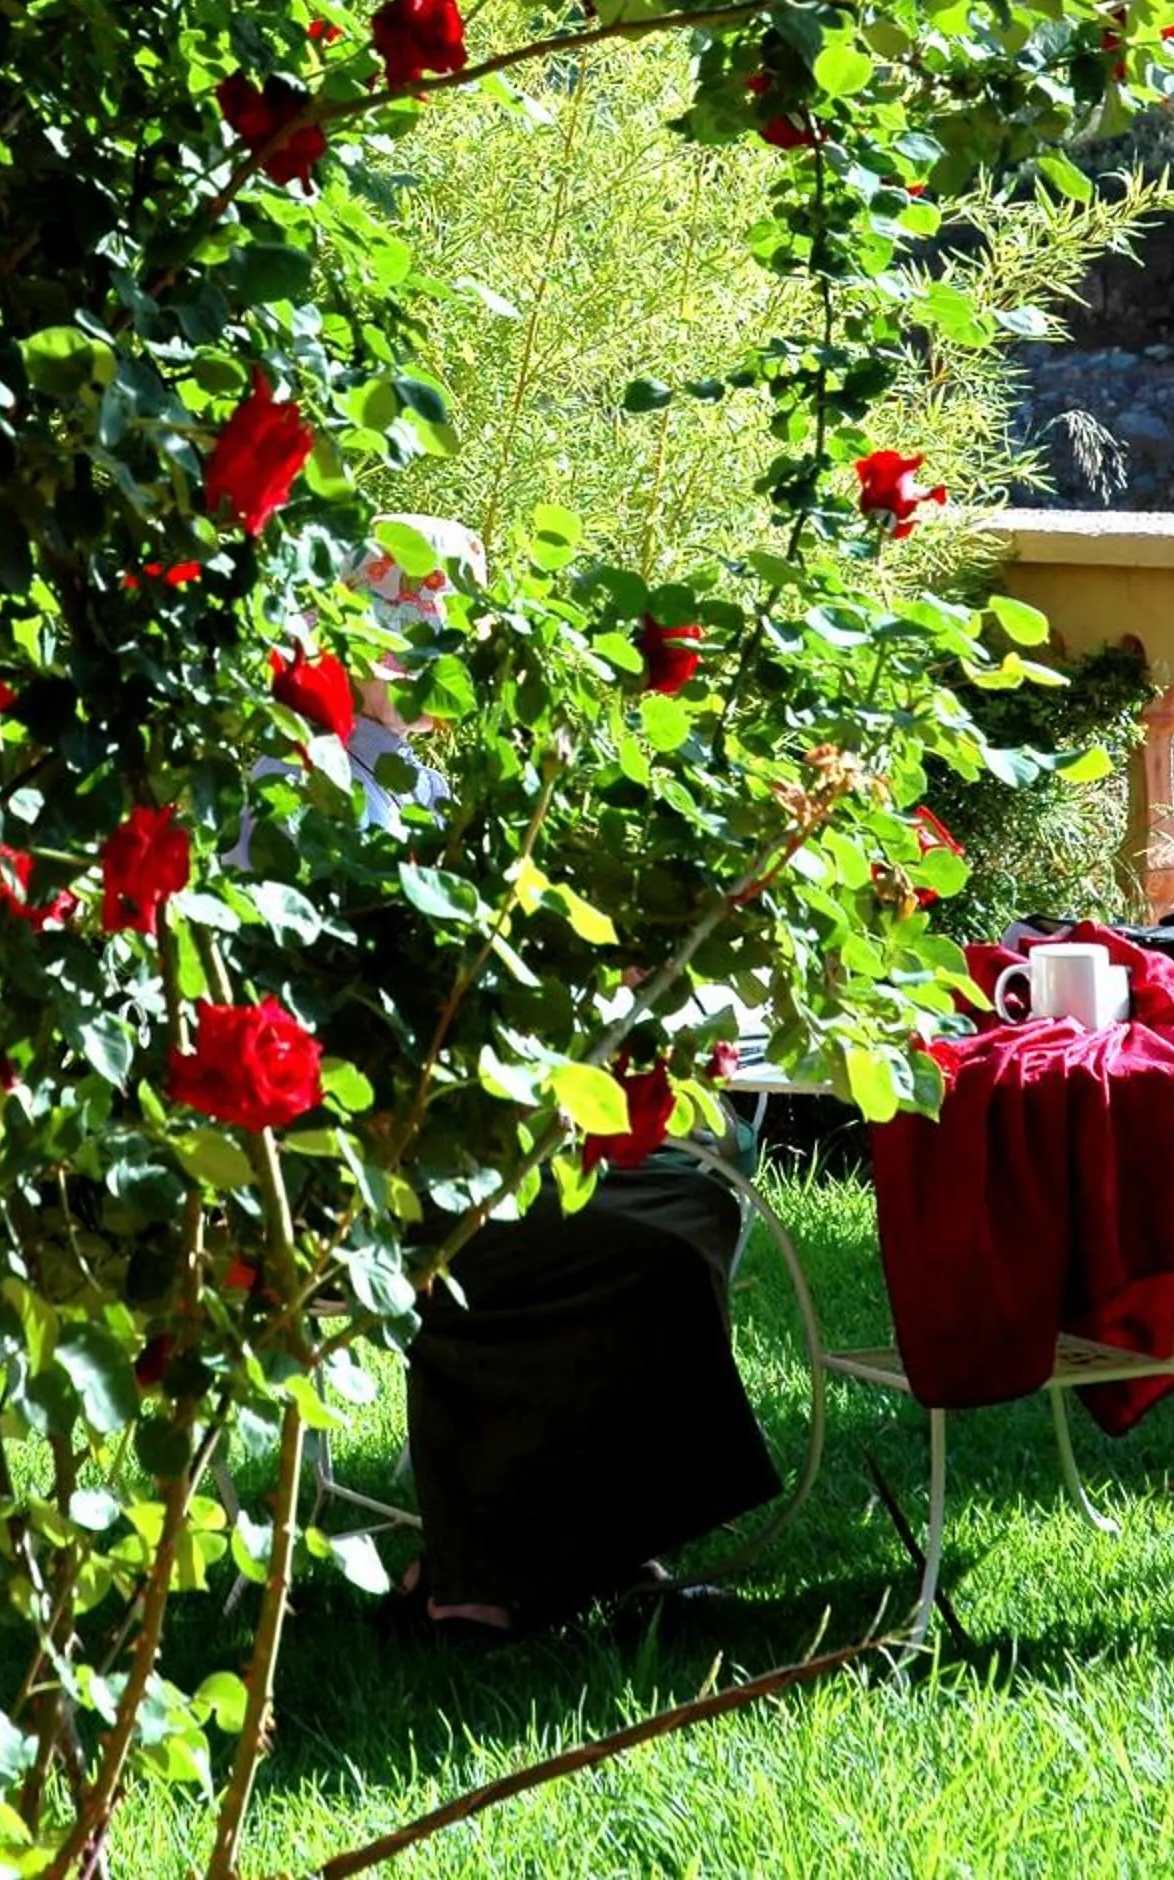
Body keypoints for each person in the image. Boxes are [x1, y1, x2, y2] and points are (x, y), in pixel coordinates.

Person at [341, 527, 782, 1639]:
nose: (438, 672)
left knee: (693, 1185)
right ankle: (487, 1579)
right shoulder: (314, 781)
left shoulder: (414, 766)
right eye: (415, 644)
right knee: (639, 1246)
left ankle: (575, 1544)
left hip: (463, 1123)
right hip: (369, 1158)